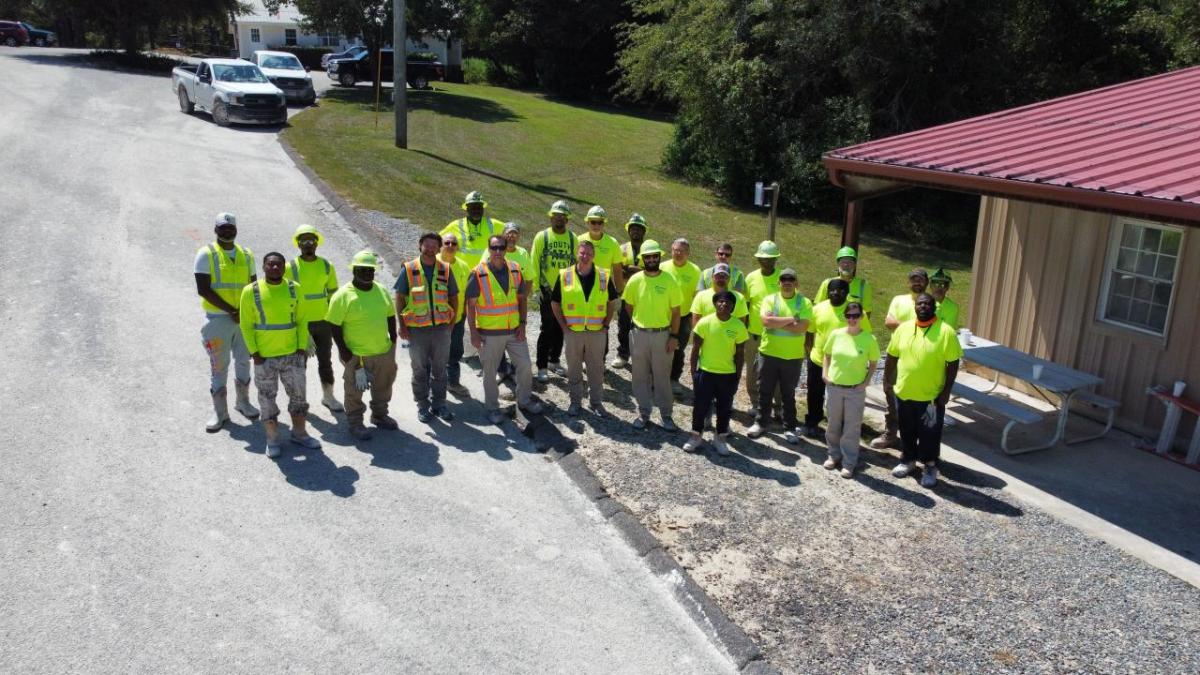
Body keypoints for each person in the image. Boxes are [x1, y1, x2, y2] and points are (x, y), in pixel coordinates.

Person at [239, 252, 319, 458]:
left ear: (284, 267)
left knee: (299, 397)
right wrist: (254, 353)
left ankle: (299, 433)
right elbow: (246, 325)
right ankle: (272, 438)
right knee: (267, 399)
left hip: (292, 355)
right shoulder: (250, 291)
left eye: (278, 265)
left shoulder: (294, 289)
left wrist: (302, 347)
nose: (275, 268)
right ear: (264, 267)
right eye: (270, 265)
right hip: (264, 358)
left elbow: (302, 320)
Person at [885, 293, 961, 488]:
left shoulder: (946, 332)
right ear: (915, 307)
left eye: (928, 304)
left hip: (931, 397)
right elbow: (892, 355)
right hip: (905, 392)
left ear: (934, 307)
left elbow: (953, 364)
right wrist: (887, 379)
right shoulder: (903, 328)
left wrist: (946, 392)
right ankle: (908, 460)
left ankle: (929, 466)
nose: (923, 306)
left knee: (930, 434)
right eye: (920, 304)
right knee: (907, 430)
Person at [467, 235, 544, 425]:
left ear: (506, 248)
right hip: (489, 333)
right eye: (494, 248)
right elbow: (470, 306)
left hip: (514, 331)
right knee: (490, 372)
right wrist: (474, 334)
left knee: (525, 365)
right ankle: (492, 409)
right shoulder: (477, 273)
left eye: (501, 247)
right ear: (489, 249)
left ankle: (524, 400)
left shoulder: (515, 269)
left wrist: (523, 324)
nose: (498, 252)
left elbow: (522, 299)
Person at [195, 212, 259, 432]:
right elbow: (203, 289)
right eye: (222, 227)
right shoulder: (206, 254)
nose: (227, 230)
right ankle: (219, 413)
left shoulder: (247, 255)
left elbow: (253, 287)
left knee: (244, 361)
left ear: (236, 229)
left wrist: (247, 313)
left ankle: (243, 402)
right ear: (216, 230)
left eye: (230, 227)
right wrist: (231, 310)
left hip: (243, 318)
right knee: (219, 366)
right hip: (218, 320)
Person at [326, 250, 398, 440]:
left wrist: (393, 341)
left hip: (383, 351)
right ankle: (355, 423)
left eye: (371, 270)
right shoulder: (343, 295)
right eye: (363, 269)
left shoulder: (381, 290)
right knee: (354, 391)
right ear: (354, 270)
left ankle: (380, 415)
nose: (367, 273)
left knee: (383, 386)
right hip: (356, 355)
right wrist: (344, 352)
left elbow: (390, 315)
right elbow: (334, 325)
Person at [395, 232, 457, 423]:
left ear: (439, 249)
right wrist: (402, 325)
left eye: (433, 246)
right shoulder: (409, 269)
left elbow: (454, 298)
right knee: (419, 370)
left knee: (440, 370)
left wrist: (451, 324)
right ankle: (422, 405)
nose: (430, 249)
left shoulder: (446, 269)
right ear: (420, 246)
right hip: (417, 330)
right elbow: (399, 298)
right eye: (426, 245)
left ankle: (439, 404)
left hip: (441, 329)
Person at [551, 240, 618, 417]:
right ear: (577, 253)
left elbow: (612, 302)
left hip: (597, 332)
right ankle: (575, 403)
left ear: (593, 255)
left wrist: (606, 324)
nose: (585, 256)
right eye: (582, 253)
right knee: (574, 369)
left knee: (596, 369)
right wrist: (564, 327)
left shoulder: (604, 275)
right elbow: (555, 302)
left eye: (588, 253)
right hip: (573, 332)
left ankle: (596, 403)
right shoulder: (565, 275)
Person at [621, 239, 681, 430]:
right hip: (639, 334)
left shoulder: (669, 280)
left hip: (663, 335)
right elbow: (628, 306)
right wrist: (640, 323)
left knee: (662, 376)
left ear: (659, 257)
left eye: (655, 256)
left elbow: (677, 312)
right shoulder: (635, 280)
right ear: (643, 259)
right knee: (639, 375)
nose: (652, 259)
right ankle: (644, 412)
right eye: (648, 256)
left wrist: (674, 336)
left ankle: (666, 415)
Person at [748, 268, 811, 443]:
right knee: (765, 390)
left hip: (792, 357)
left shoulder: (804, 302)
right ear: (779, 282)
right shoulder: (770, 299)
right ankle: (761, 423)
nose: (787, 282)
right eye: (784, 279)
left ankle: (789, 427)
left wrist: (777, 322)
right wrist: (792, 319)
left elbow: (802, 327)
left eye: (791, 279)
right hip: (769, 353)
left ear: (796, 282)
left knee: (788, 394)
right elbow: (766, 322)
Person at [684, 290, 749, 456]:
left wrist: (737, 375)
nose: (724, 304)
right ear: (715, 304)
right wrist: (693, 372)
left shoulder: (738, 326)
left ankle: (720, 439)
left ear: (733, 306)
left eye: (728, 302)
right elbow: (695, 349)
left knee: (724, 409)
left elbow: (740, 354)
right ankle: (695, 437)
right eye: (720, 301)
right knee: (700, 406)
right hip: (705, 373)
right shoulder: (705, 322)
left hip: (728, 375)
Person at [872, 268, 930, 449]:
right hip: (897, 355)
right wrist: (915, 324)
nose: (916, 283)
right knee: (890, 391)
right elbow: (889, 322)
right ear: (908, 282)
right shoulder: (899, 300)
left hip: (921, 358)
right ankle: (890, 434)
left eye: (920, 280)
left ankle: (915, 439)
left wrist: (902, 325)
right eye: (913, 279)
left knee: (918, 398)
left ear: (926, 282)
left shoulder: (929, 302)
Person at [288, 224, 342, 412]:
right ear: (298, 244)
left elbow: (333, 296)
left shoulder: (327, 266)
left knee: (325, 361)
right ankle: (299, 400)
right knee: (299, 364)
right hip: (301, 325)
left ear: (317, 243)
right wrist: (298, 327)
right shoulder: (290, 267)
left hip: (323, 323)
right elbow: (287, 300)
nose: (308, 244)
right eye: (304, 241)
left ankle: (328, 396)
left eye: (311, 240)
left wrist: (334, 322)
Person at [821, 302, 879, 478]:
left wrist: (866, 382)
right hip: (835, 388)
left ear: (862, 317)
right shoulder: (836, 335)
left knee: (852, 428)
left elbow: (874, 362)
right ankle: (833, 455)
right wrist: (825, 373)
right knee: (833, 423)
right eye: (849, 316)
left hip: (855, 390)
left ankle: (849, 462)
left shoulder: (869, 339)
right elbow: (827, 354)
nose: (852, 319)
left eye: (856, 315)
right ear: (844, 317)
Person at [802, 279, 859, 438]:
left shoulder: (853, 310)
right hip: (818, 359)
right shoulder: (818, 308)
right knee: (814, 393)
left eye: (840, 290)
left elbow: (863, 333)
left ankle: (837, 427)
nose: (835, 292)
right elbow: (810, 332)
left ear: (846, 293)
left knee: (838, 397)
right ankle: (812, 422)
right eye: (832, 290)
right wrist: (809, 352)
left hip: (841, 364)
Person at [529, 200, 578, 382]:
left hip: (566, 290)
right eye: (556, 216)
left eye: (562, 217)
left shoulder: (573, 238)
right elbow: (534, 261)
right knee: (547, 328)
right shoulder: (542, 236)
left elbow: (577, 265)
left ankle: (554, 361)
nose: (559, 219)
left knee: (561, 327)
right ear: (551, 217)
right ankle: (541, 366)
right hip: (547, 289)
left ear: (567, 219)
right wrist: (536, 288)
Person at [744, 241, 782, 416]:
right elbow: (745, 304)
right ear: (758, 259)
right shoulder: (751, 278)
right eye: (763, 259)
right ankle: (755, 402)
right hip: (754, 334)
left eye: (770, 259)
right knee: (752, 371)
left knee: (775, 372)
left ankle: (778, 406)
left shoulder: (783, 279)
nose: (766, 262)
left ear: (776, 259)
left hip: (776, 334)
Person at [663, 238, 702, 394]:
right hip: (663, 316)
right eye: (676, 250)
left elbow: (697, 296)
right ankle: (657, 378)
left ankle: (673, 379)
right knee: (660, 347)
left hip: (684, 316)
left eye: (682, 251)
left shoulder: (695, 271)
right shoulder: (662, 267)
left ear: (688, 253)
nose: (678, 254)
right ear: (671, 250)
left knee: (678, 349)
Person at [495, 221, 531, 386]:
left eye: (515, 233)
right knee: (498, 338)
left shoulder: (523, 253)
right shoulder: (496, 250)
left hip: (516, 305)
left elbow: (529, 277)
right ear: (503, 235)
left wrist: (523, 297)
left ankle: (516, 370)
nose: (511, 236)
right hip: (497, 305)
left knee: (517, 336)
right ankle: (501, 369)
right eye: (509, 232)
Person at [438, 231, 472, 398]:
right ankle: (432, 389)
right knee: (434, 355)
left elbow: (467, 293)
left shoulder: (464, 267)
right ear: (441, 246)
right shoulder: (431, 263)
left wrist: (465, 313)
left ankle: (453, 383)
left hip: (457, 319)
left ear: (457, 247)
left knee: (455, 352)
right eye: (447, 243)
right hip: (434, 321)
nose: (450, 246)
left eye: (453, 243)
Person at [613, 213, 648, 369]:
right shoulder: (621, 249)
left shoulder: (649, 249)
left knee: (642, 328)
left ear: (644, 231)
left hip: (644, 295)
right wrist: (638, 270)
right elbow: (619, 270)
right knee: (624, 326)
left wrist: (630, 269)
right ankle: (623, 354)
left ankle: (640, 358)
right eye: (632, 228)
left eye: (639, 229)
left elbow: (652, 270)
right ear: (628, 230)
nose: (635, 231)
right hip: (625, 294)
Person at [441, 191, 502, 269]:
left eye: (479, 207)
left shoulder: (494, 224)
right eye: (473, 207)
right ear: (467, 209)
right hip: (461, 271)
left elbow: (512, 234)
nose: (476, 210)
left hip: (485, 272)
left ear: (483, 208)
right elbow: (437, 242)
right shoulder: (455, 226)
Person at [814, 246, 874, 321]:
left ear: (855, 265)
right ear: (838, 264)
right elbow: (817, 308)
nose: (846, 265)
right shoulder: (827, 283)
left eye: (850, 262)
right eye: (843, 262)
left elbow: (867, 312)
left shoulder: (864, 285)